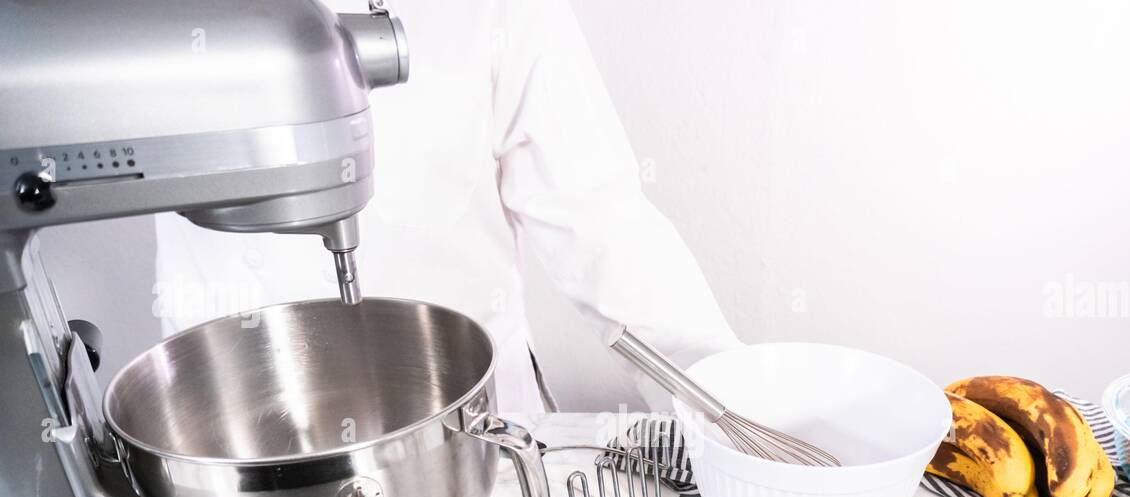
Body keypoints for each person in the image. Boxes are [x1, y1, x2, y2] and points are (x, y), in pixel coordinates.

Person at [153, 0, 740, 415]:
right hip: (225, 447)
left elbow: (600, 219)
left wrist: (730, 405)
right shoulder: (147, 27)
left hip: (477, 431)